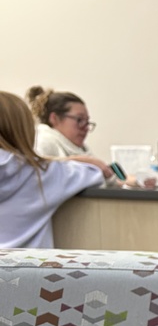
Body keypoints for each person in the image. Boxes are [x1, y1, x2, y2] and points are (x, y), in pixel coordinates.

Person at [0, 91, 108, 248]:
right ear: (24, 129)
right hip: (29, 269)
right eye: (79, 120)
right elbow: (96, 170)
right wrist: (62, 161)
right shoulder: (42, 173)